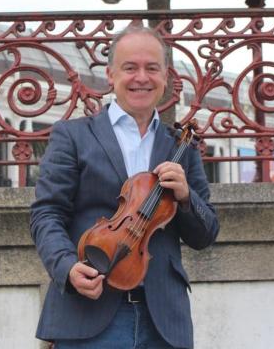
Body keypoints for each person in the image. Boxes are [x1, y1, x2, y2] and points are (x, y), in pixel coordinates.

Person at [30, 24, 220, 349]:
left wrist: (186, 198)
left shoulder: (180, 145)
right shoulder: (73, 136)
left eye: (151, 68)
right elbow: (46, 214)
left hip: (163, 321)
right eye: (130, 68)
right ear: (111, 75)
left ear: (165, 76)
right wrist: (67, 267)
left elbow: (206, 234)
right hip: (87, 316)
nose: (141, 78)